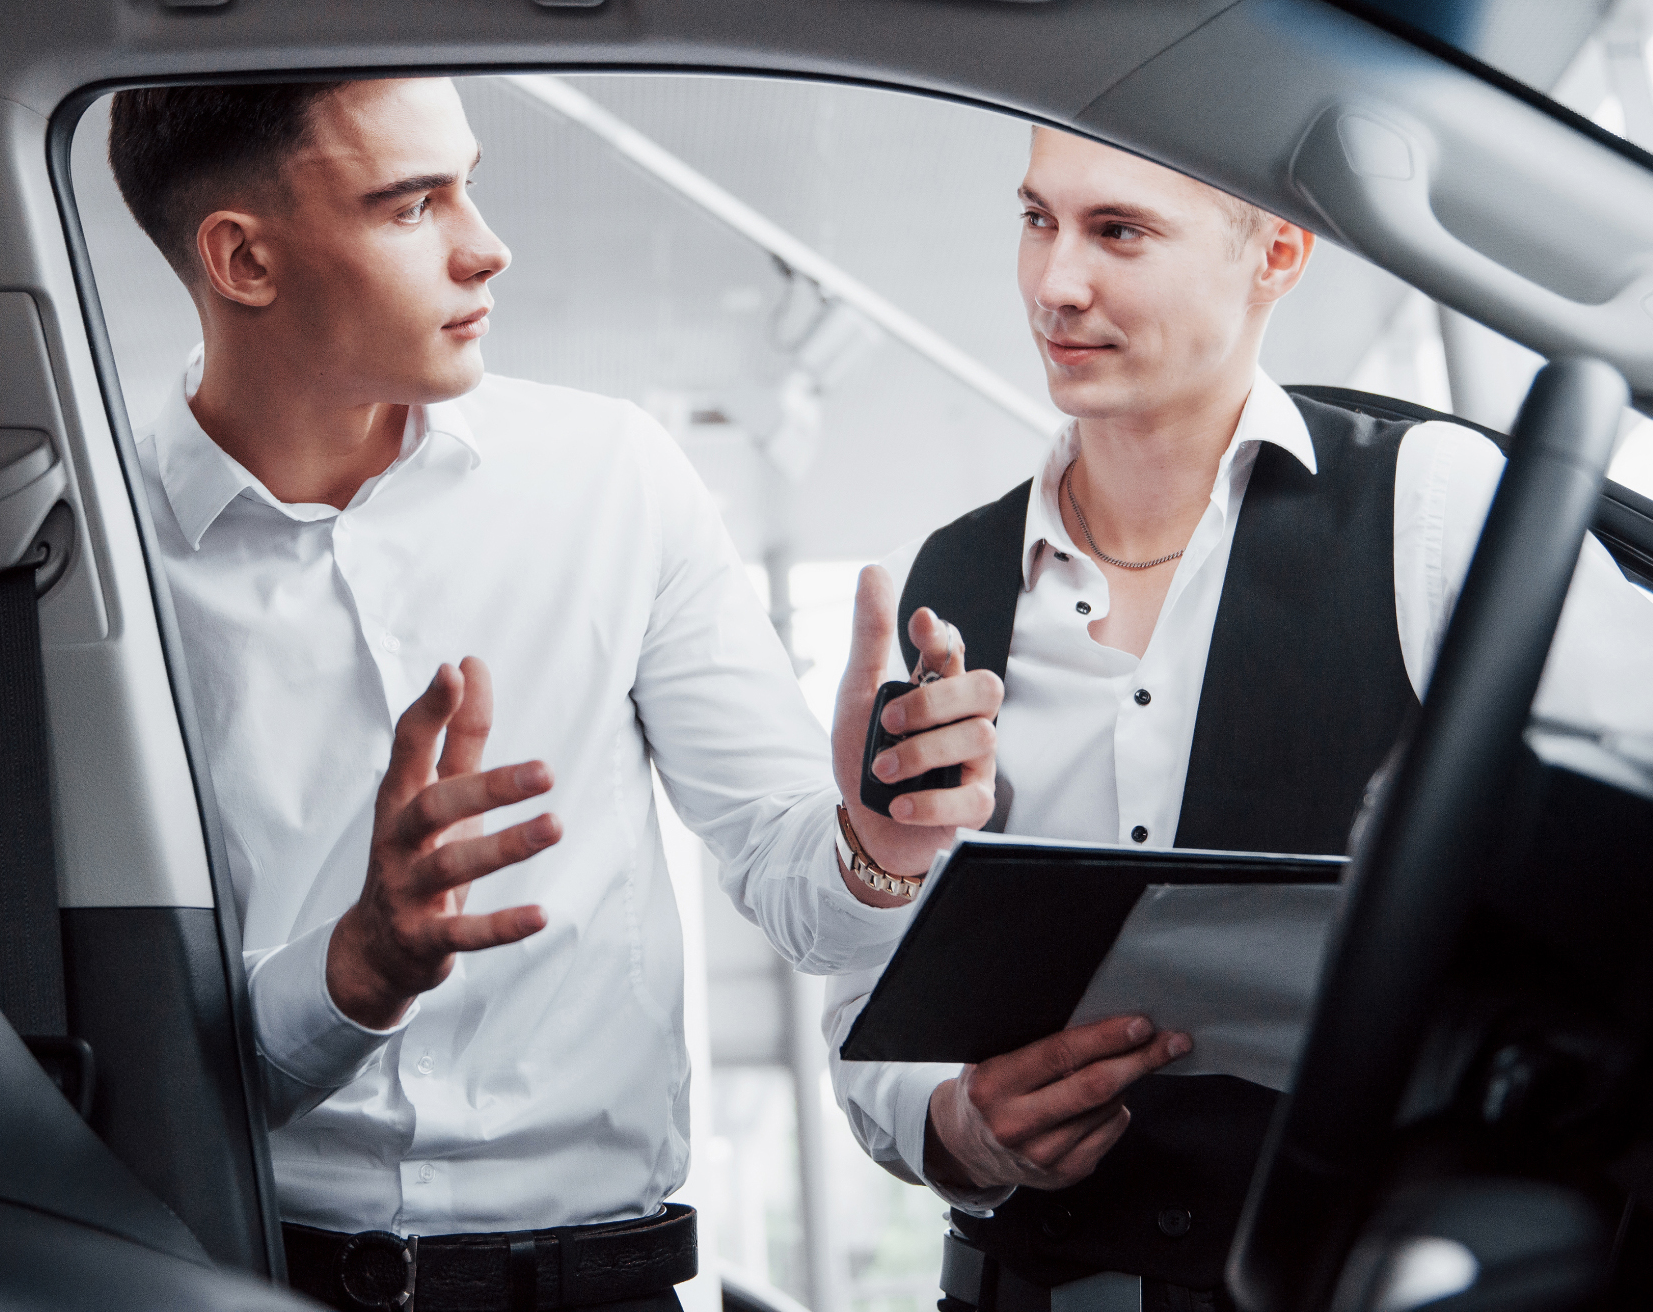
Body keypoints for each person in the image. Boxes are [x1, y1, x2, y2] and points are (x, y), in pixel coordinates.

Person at [105, 78, 1004, 1312]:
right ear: (243, 257)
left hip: (606, 1288)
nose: (487, 244)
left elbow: (819, 915)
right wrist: (352, 972)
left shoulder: (610, 477)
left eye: (468, 180)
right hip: (252, 1280)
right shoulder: (95, 555)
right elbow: (117, 1072)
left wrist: (880, 837)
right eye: (413, 203)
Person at [826, 126, 1651, 1311]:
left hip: (1356, 1273)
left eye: (1117, 231)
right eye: (1034, 220)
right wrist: (956, 1121)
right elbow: (863, 991)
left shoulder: (1431, 504)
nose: (1054, 283)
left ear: (1276, 251)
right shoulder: (948, 580)